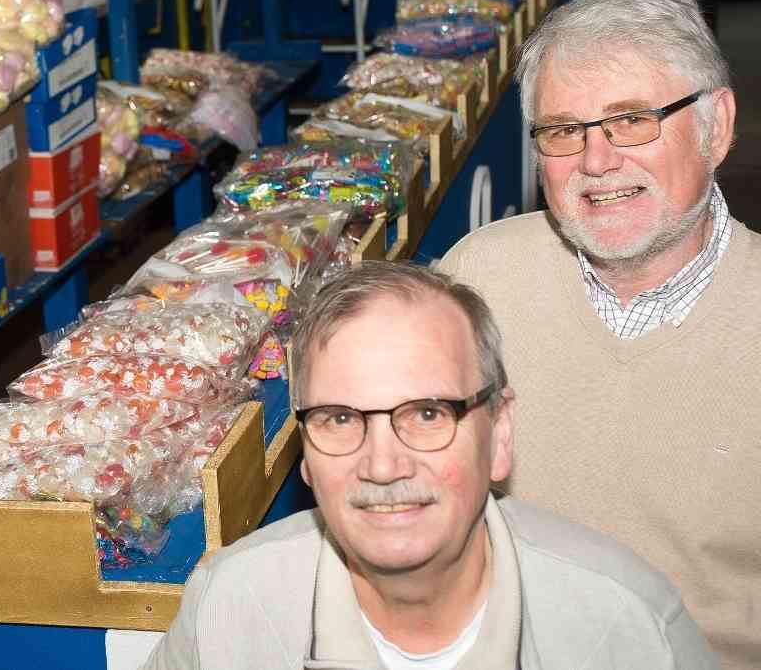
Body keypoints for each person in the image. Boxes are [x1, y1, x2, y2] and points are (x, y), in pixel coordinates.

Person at [143, 261, 717, 670]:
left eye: (426, 413)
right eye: (341, 419)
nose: (384, 464)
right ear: (306, 459)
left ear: (500, 434)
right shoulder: (230, 609)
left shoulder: (629, 630)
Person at [437, 0, 758, 667]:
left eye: (632, 120)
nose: (596, 159)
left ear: (716, 126)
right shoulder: (478, 280)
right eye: (562, 130)